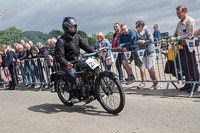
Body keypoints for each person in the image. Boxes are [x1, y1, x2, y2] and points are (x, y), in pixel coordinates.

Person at [55, 17, 95, 103]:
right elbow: (59, 56)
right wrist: (66, 63)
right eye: (70, 27)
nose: (72, 28)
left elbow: (86, 46)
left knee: (92, 68)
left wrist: (95, 52)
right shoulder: (61, 40)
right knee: (72, 74)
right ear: (65, 27)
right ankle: (74, 95)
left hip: (78, 61)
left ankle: (90, 91)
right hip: (67, 63)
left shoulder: (77, 37)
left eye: (73, 26)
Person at [168, 5, 199, 93]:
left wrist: (176, 39)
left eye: (179, 13)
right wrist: (172, 37)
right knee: (185, 66)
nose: (177, 15)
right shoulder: (179, 23)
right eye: (177, 13)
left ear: (185, 11)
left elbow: (189, 34)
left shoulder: (190, 21)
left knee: (192, 65)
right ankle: (188, 83)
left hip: (189, 47)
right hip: (181, 47)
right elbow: (175, 33)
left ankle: (195, 84)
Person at [135, 20, 162, 90]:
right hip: (143, 53)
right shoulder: (137, 33)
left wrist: (144, 41)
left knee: (151, 68)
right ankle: (154, 83)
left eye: (136, 26)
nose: (136, 28)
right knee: (148, 69)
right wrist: (139, 41)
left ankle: (158, 83)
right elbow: (135, 41)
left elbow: (151, 40)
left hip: (150, 51)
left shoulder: (147, 30)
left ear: (140, 26)